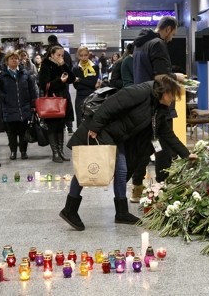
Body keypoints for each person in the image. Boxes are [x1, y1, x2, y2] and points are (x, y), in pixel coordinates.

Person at [62, 74, 192, 229]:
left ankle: (121, 212)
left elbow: (167, 134)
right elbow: (111, 104)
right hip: (103, 129)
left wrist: (186, 154)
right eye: (172, 96)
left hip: (117, 135)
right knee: (90, 166)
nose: (173, 100)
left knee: (121, 170)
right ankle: (70, 209)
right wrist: (95, 127)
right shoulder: (141, 92)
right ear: (164, 91)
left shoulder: (158, 107)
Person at [131, 16, 185, 202]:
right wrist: (176, 77)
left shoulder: (139, 45)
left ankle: (137, 188)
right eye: (173, 34)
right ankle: (162, 188)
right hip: (158, 103)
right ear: (168, 29)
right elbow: (161, 76)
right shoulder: (157, 44)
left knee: (142, 148)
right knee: (163, 148)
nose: (171, 39)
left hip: (141, 104)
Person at [38, 45, 76, 163]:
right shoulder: (45, 65)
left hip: (63, 98)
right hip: (52, 100)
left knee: (61, 126)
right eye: (58, 55)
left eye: (62, 55)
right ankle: (55, 152)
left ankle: (61, 151)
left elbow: (72, 78)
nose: (60, 57)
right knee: (52, 127)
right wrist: (60, 81)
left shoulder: (62, 65)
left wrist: (64, 65)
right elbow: (44, 85)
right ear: (52, 55)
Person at [0, 51, 37, 160]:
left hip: (24, 107)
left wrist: (33, 104)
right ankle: (13, 151)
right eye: (12, 59)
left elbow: (32, 90)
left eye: (16, 58)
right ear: (6, 61)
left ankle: (23, 152)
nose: (14, 60)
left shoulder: (25, 74)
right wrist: (4, 99)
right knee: (11, 132)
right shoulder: (2, 75)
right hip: (9, 107)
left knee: (23, 132)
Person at [47, 35, 74, 133]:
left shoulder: (49, 53)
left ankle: (59, 125)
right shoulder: (65, 53)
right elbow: (70, 67)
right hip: (64, 83)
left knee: (55, 103)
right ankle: (69, 126)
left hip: (54, 85)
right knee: (66, 102)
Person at [72, 46, 101, 128]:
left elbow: (92, 83)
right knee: (81, 122)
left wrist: (80, 80)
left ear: (88, 55)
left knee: (92, 121)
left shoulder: (95, 67)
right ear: (78, 56)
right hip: (80, 97)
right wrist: (88, 83)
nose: (83, 57)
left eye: (85, 55)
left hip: (92, 97)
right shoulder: (75, 69)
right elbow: (76, 86)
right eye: (81, 55)